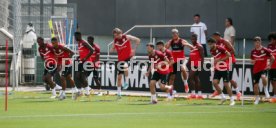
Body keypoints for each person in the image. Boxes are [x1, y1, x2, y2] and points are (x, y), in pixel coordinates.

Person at [110, 28, 140, 99]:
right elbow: (112, 49)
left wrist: (134, 50)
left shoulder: (127, 37)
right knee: (119, 77)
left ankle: (126, 82)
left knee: (125, 67)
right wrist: (112, 49)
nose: (117, 36)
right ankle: (119, 93)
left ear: (121, 33)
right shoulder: (115, 40)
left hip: (128, 57)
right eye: (115, 35)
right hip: (120, 59)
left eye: (118, 34)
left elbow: (138, 40)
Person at [211, 32, 241, 100]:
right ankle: (218, 91)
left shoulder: (225, 42)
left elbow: (233, 51)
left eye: (215, 37)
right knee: (217, 78)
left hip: (230, 61)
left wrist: (225, 56)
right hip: (222, 62)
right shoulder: (216, 44)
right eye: (213, 37)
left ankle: (238, 92)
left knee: (229, 78)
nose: (214, 38)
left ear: (218, 36)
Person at [207, 38, 235, 106]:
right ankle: (223, 97)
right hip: (217, 69)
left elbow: (229, 55)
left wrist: (220, 60)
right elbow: (215, 58)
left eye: (211, 44)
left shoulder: (220, 48)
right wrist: (213, 65)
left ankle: (232, 100)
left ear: (214, 43)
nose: (210, 46)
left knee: (226, 84)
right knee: (214, 83)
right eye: (209, 44)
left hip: (225, 68)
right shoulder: (211, 51)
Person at [166, 29, 194, 93]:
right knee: (172, 77)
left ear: (178, 34)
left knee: (183, 68)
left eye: (175, 33)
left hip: (182, 59)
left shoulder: (182, 41)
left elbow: (192, 47)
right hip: (174, 60)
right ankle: (170, 94)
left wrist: (187, 45)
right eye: (173, 33)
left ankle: (185, 83)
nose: (174, 34)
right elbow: (165, 49)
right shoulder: (171, 41)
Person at [251, 36, 274, 105]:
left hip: (263, 68)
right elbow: (252, 60)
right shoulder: (253, 51)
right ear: (254, 43)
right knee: (255, 86)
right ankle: (257, 99)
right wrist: (252, 61)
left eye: (258, 42)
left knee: (263, 77)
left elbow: (272, 57)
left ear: (260, 42)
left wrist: (269, 65)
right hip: (255, 70)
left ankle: (265, 89)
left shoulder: (265, 50)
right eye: (256, 42)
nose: (257, 43)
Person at [74, 32, 94, 97]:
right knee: (77, 76)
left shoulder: (84, 42)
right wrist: (79, 57)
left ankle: (87, 92)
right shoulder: (79, 43)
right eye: (75, 36)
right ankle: (87, 89)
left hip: (87, 62)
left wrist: (85, 58)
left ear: (80, 36)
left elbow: (92, 50)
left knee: (82, 76)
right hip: (81, 62)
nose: (75, 38)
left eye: (76, 36)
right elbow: (83, 52)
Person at [187, 34, 204, 99]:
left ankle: (193, 94)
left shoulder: (199, 46)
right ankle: (199, 95)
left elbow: (202, 57)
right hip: (192, 64)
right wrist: (188, 63)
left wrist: (201, 66)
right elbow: (191, 56)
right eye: (191, 39)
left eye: (193, 39)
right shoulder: (192, 47)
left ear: (196, 39)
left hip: (197, 64)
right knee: (196, 78)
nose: (192, 40)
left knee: (190, 77)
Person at [267, 32, 276, 103]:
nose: (271, 41)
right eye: (271, 40)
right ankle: (274, 95)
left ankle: (275, 95)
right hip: (271, 67)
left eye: (273, 40)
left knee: (274, 81)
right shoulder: (269, 46)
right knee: (273, 82)